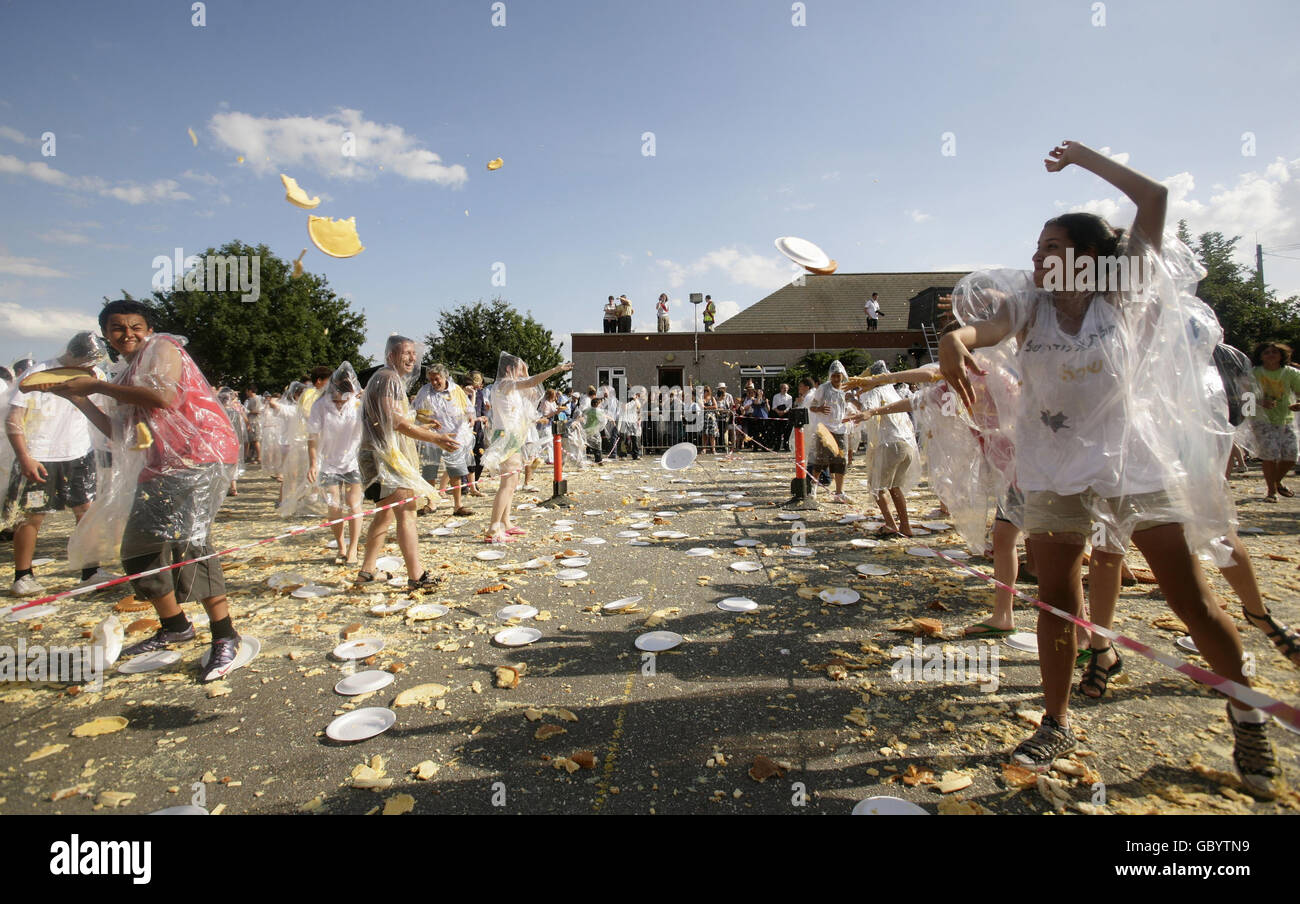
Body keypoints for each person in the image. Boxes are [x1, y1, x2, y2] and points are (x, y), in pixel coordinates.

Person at [938, 140, 1281, 796]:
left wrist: (1081, 159)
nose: (1037, 258)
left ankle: (1245, 710)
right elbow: (985, 330)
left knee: (1193, 602)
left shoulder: (1120, 293)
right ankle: (1057, 720)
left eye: (1052, 247)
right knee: (1057, 601)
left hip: (1133, 467)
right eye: (1036, 247)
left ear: (1089, 259)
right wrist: (957, 338)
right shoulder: (1028, 304)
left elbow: (1153, 199)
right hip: (1052, 473)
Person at [55, 301, 242, 681]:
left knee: (191, 544)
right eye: (117, 328)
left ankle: (225, 635)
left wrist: (94, 384)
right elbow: (120, 436)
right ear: (106, 335)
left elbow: (162, 397)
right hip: (159, 464)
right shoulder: (125, 376)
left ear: (149, 328)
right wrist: (81, 399)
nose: (128, 334)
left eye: (135, 326)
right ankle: (175, 624)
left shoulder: (163, 350)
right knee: (138, 550)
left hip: (198, 457)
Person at [4, 332, 113, 596]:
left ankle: (91, 571)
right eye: (85, 362)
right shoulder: (40, 373)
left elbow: (100, 412)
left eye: (93, 363)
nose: (89, 367)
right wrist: (24, 456)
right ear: (72, 354)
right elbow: (14, 418)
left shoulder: (96, 375)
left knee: (86, 512)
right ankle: (23, 575)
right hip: (39, 454)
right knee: (31, 517)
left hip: (78, 453)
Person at [354, 335, 457, 589]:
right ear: (391, 355)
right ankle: (417, 576)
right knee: (407, 511)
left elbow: (393, 418)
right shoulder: (388, 378)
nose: (412, 358)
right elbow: (395, 423)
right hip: (384, 459)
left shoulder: (386, 378)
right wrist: (436, 438)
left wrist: (420, 423)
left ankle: (367, 572)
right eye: (406, 353)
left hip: (381, 456)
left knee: (385, 515)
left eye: (414, 353)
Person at [482, 354, 572, 542]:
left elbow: (531, 392)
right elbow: (531, 383)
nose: (523, 373)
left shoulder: (510, 387)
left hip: (512, 436)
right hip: (506, 437)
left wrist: (526, 372)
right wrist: (555, 370)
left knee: (512, 483)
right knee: (506, 485)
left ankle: (505, 522)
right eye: (520, 369)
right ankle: (493, 527)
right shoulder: (505, 384)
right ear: (509, 370)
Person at [307, 363, 364, 565]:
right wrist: (313, 463)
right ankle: (340, 546)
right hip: (328, 462)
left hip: (353, 461)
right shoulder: (320, 405)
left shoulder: (357, 404)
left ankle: (353, 548)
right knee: (334, 505)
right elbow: (312, 437)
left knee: (354, 503)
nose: (342, 395)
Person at [413, 364, 475, 517]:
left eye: (437, 379)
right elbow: (416, 412)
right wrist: (428, 420)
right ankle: (431, 502)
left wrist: (471, 417)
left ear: (445, 377)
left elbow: (468, 409)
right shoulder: (424, 391)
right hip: (432, 436)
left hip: (454, 435)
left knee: (455, 470)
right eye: (431, 379)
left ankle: (458, 505)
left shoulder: (456, 391)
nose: (433, 382)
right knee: (429, 469)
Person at [1249, 341, 1300, 502]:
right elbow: (1244, 396)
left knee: (1291, 455)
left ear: (1281, 355)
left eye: (1274, 352)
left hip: (1286, 418)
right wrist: (1260, 402)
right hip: (1261, 419)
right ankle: (1271, 491)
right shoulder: (1254, 373)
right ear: (1261, 357)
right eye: (1266, 352)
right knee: (1269, 455)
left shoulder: (1291, 373)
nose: (1271, 355)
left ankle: (1276, 481)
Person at [806, 361, 852, 504]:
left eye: (839, 376)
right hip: (824, 428)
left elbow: (852, 406)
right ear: (830, 376)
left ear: (842, 376)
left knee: (840, 461)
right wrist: (819, 409)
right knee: (820, 459)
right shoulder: (823, 389)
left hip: (840, 428)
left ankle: (839, 492)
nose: (836, 379)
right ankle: (813, 487)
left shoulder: (846, 389)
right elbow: (812, 406)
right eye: (834, 376)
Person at [243, 386, 263, 464]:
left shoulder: (256, 399)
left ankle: (259, 457)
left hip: (255, 421)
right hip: (251, 421)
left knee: (255, 440)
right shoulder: (251, 400)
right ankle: (252, 455)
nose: (246, 393)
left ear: (250, 391)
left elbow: (258, 411)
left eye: (247, 391)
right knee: (252, 440)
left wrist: (248, 412)